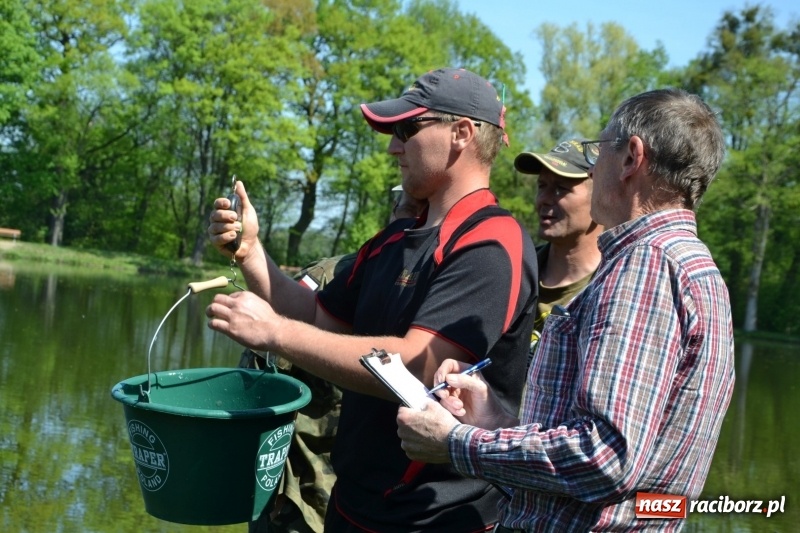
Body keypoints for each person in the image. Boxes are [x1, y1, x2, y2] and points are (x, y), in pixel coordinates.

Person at [206, 67, 539, 532]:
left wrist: (275, 333)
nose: (392, 147)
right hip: (352, 505)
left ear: (461, 133)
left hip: (434, 520)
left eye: (407, 130)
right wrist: (251, 255)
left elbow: (421, 368)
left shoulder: (492, 242)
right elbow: (320, 316)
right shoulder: (396, 237)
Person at [397, 88, 736, 532]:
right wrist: (497, 421)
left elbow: (605, 456)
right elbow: (620, 447)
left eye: (600, 151)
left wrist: (458, 442)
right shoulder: (696, 266)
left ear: (632, 157)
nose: (595, 167)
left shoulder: (647, 263)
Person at [246, 187, 426, 533]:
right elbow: (262, 372)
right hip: (305, 494)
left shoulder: (448, 289)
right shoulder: (336, 275)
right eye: (408, 209)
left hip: (393, 501)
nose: (415, 223)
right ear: (391, 213)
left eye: (425, 214)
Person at [514, 139, 603, 350]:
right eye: (542, 186)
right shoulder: (515, 271)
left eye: (560, 189)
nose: (543, 199)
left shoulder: (612, 284)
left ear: (601, 197)